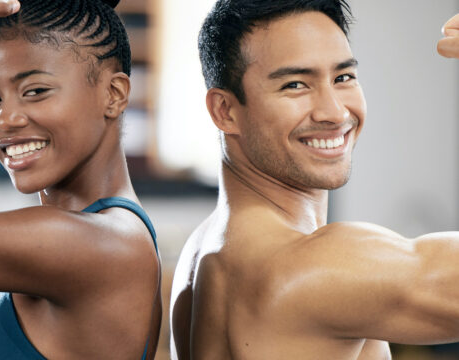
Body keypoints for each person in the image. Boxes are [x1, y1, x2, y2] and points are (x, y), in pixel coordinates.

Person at [170, 1, 459, 359]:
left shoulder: (203, 254)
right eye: (295, 84)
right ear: (225, 111)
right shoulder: (309, 266)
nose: (335, 112)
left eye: (343, 77)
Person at [0, 0, 161, 359]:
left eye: (35, 91)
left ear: (113, 95)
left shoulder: (92, 246)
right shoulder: (103, 234)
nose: (4, 120)